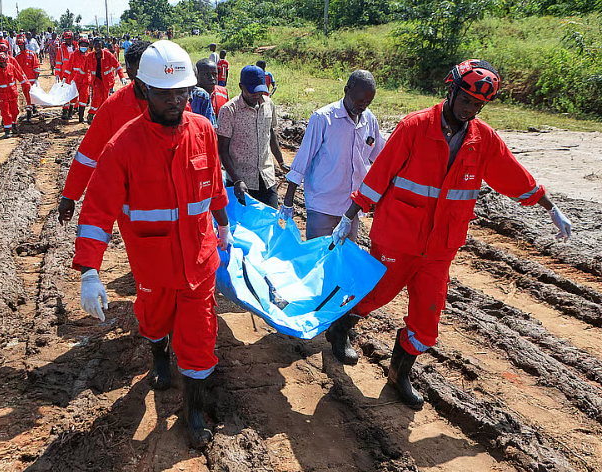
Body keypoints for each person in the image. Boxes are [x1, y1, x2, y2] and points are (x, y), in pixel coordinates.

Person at [327, 59, 574, 409]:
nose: (470, 109)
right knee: (374, 296)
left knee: (427, 321)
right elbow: (380, 174)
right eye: (466, 100)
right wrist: (349, 215)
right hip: (398, 236)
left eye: (477, 105)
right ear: (451, 90)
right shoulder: (414, 127)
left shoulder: (482, 139)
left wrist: (549, 206)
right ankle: (340, 327)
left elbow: (513, 174)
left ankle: (399, 375)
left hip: (441, 246)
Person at [72, 40, 230, 449]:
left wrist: (225, 227)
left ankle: (193, 412)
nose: (176, 101)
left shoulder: (204, 132)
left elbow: (214, 187)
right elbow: (97, 210)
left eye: (183, 92)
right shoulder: (123, 145)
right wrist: (90, 270)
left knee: (199, 338)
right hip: (153, 263)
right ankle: (159, 352)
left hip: (199, 259)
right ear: (143, 91)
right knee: (154, 320)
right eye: (165, 93)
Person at [281, 70, 385, 242]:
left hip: (351, 208)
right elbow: (302, 160)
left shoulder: (369, 120)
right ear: (347, 90)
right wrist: (288, 200)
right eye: (359, 101)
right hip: (323, 204)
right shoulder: (323, 119)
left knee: (343, 261)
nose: (363, 106)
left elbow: (381, 157)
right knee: (318, 258)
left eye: (368, 102)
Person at [58, 39, 152, 222]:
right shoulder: (114, 107)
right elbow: (88, 153)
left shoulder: (175, 103)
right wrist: (69, 195)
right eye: (142, 71)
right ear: (131, 71)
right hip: (132, 200)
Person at [217, 65, 290, 209]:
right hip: (241, 183)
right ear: (241, 87)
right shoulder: (229, 110)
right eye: (251, 92)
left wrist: (281, 162)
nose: (256, 95)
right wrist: (237, 181)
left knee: (270, 222)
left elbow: (271, 134)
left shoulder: (268, 104)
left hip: (267, 178)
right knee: (244, 228)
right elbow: (222, 150)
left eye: (260, 91)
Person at [86, 37, 126, 123]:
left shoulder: (108, 55)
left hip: (106, 82)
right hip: (96, 81)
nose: (97, 48)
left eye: (99, 46)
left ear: (102, 46)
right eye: (95, 46)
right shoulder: (90, 56)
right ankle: (91, 114)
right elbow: (84, 68)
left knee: (104, 100)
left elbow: (117, 66)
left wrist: (122, 77)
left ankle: (101, 118)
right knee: (96, 97)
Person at [63, 36, 92, 122]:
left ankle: (81, 117)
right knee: (73, 97)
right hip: (75, 80)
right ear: (79, 45)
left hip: (86, 80)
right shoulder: (74, 54)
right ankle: (70, 113)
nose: (84, 47)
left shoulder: (89, 56)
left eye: (85, 45)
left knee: (84, 97)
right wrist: (65, 77)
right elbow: (69, 66)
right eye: (82, 45)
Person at [15, 38, 41, 121]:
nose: (20, 47)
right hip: (24, 80)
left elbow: (36, 66)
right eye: (19, 46)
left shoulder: (32, 54)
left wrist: (36, 79)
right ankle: (33, 109)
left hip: (32, 79)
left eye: (22, 45)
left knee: (31, 96)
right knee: (27, 96)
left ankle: (29, 115)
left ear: (25, 44)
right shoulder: (18, 56)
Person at [190, 59, 218, 126]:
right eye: (206, 74)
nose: (212, 78)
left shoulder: (223, 93)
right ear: (196, 75)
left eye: (214, 74)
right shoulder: (199, 96)